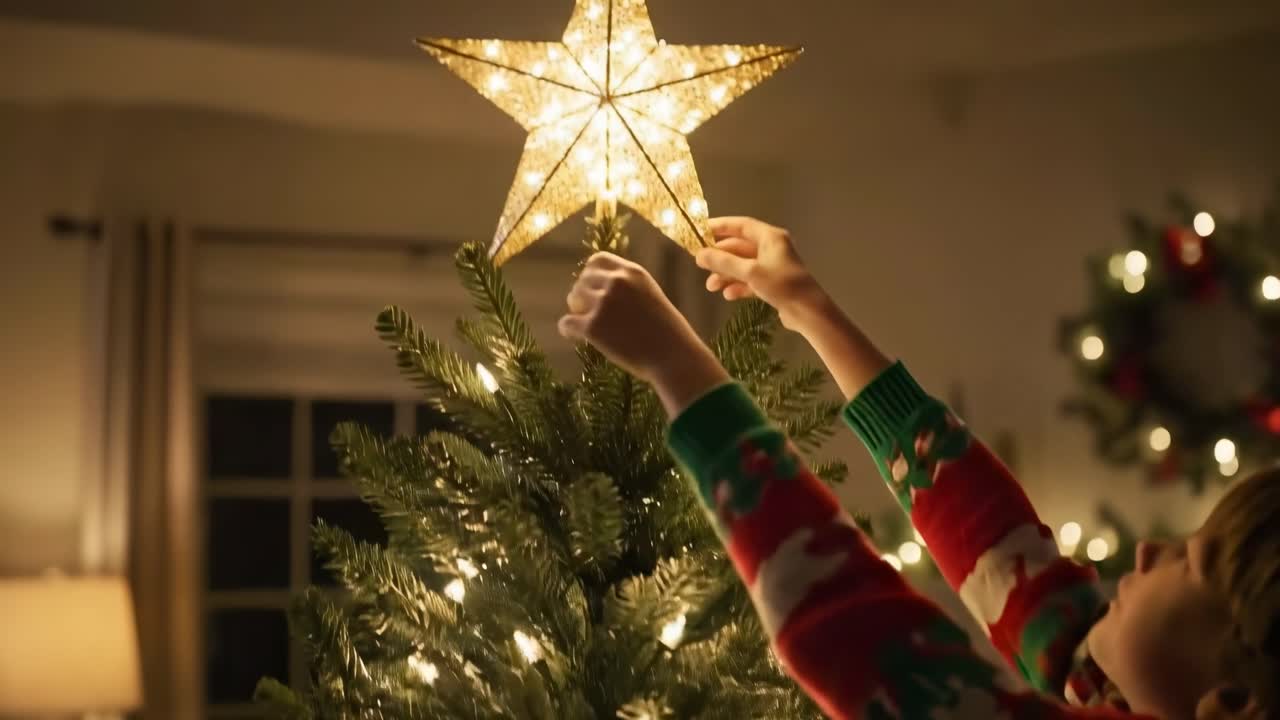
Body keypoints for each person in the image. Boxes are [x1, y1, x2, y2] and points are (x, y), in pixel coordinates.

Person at [557, 216, 1278, 719]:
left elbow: (872, 649)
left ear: (1238, 700)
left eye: (1190, 564)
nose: (1152, 551)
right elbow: (999, 551)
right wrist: (808, 308)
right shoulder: (1117, 686)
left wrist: (682, 371)